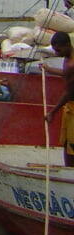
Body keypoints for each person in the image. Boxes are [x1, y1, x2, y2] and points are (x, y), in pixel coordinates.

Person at [43, 31, 74, 166]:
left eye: (58, 50)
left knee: (71, 145)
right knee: (66, 142)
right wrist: (48, 69)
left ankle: (70, 172)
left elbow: (67, 92)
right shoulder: (68, 59)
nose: (56, 54)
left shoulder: (72, 64)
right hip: (70, 107)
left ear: (67, 45)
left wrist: (52, 112)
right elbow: (66, 74)